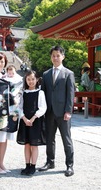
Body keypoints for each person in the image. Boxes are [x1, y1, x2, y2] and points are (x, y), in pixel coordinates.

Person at [39, 45, 76, 177]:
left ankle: (69, 165)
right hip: (49, 112)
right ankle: (50, 161)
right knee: (49, 138)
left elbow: (71, 94)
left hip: (63, 112)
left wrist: (68, 111)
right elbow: (42, 94)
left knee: (66, 139)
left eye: (58, 55)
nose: (55, 58)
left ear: (63, 57)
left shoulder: (68, 74)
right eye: (53, 55)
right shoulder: (46, 74)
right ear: (51, 57)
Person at [17, 70, 47, 176]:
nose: (31, 81)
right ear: (25, 80)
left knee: (34, 145)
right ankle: (27, 165)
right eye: (28, 79)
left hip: (36, 121)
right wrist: (24, 118)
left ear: (37, 80)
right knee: (27, 144)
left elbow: (43, 108)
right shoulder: (23, 92)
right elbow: (19, 107)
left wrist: (34, 118)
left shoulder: (40, 92)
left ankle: (33, 166)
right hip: (25, 121)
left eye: (33, 79)